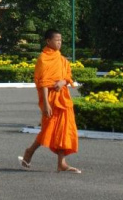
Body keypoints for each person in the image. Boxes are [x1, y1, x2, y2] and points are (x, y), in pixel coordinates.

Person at [19, 28, 81, 173]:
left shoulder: (61, 59)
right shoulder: (43, 59)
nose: (59, 43)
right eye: (57, 40)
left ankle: (61, 163)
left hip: (63, 99)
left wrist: (63, 83)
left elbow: (67, 76)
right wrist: (46, 103)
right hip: (51, 99)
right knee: (48, 129)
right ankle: (30, 151)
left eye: (61, 40)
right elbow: (43, 83)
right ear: (48, 41)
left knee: (63, 130)